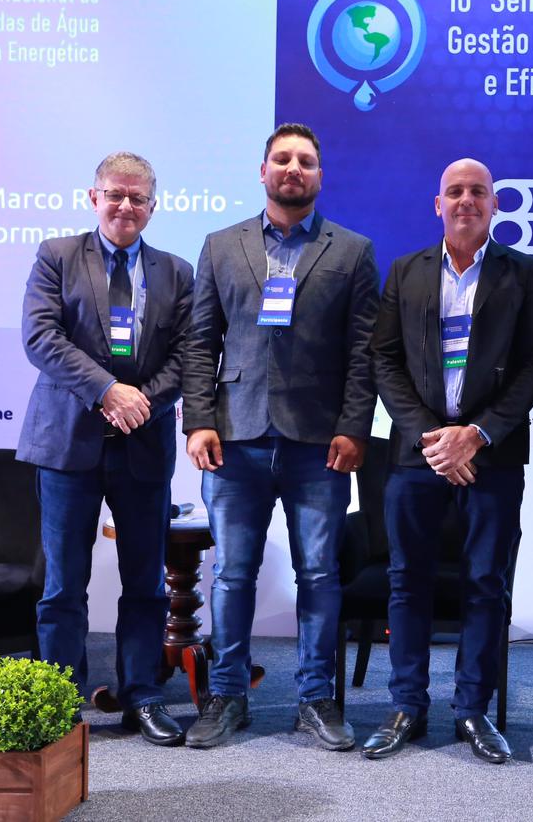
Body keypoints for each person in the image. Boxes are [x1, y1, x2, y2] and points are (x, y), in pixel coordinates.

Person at [179, 123, 379, 751]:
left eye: (306, 161)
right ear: (262, 170)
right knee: (232, 575)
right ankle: (226, 695)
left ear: (320, 175)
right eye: (283, 159)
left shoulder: (353, 251)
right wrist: (198, 419)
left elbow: (364, 352)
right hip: (234, 437)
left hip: (318, 443)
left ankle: (316, 699)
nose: (294, 168)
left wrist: (354, 427)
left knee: (318, 574)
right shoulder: (220, 245)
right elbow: (199, 341)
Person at [363, 158, 533, 763]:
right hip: (417, 456)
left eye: (477, 191)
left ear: (494, 204)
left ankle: (473, 709)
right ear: (437, 204)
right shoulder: (406, 271)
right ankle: (407, 707)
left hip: (491, 457)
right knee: (406, 582)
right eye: (455, 191)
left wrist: (476, 434)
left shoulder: (524, 274)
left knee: (486, 583)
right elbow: (384, 359)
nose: (466, 200)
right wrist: (432, 438)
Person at [17, 151, 193, 746]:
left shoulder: (176, 272)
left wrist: (140, 401)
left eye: (137, 197)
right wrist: (106, 391)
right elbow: (41, 337)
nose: (125, 206)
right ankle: (59, 705)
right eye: (115, 194)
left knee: (145, 583)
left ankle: (142, 696)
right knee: (64, 585)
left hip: (144, 443)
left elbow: (189, 356)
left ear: (153, 206)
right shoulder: (58, 256)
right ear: (94, 198)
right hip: (68, 443)